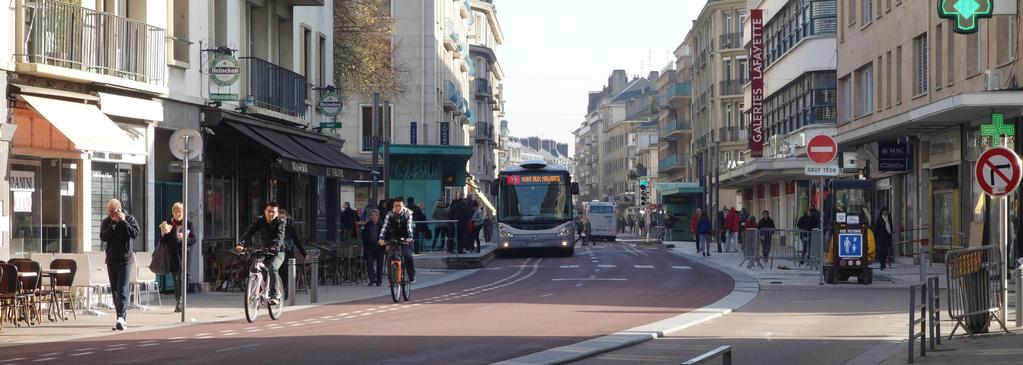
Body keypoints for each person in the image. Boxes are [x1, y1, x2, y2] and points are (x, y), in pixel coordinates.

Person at [101, 198, 140, 331]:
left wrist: (123, 221)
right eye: (109, 211)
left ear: (119, 209)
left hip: (125, 260)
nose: (111, 214)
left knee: (123, 289)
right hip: (111, 260)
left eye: (113, 211)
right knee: (115, 291)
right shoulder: (107, 221)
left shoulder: (129, 219)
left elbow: (135, 234)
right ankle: (120, 318)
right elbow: (104, 237)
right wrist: (113, 223)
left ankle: (121, 318)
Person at [237, 202, 286, 303]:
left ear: (277, 213)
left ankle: (274, 295)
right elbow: (249, 232)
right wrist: (241, 243)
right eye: (268, 211)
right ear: (265, 211)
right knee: (255, 266)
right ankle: (256, 288)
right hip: (264, 249)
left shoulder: (280, 222)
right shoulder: (260, 220)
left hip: (278, 251)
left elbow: (280, 236)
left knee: (273, 268)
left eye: (273, 212)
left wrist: (275, 246)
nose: (270, 214)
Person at [159, 202, 195, 313]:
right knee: (176, 279)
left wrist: (184, 238)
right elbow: (162, 241)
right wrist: (163, 233)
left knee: (184, 278)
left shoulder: (188, 224)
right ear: (173, 213)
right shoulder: (169, 223)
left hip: (185, 254)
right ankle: (178, 301)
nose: (177, 214)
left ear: (183, 212)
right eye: (175, 211)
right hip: (173, 255)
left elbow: (194, 239)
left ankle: (181, 300)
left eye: (179, 211)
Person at [378, 197, 416, 283]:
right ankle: (392, 279)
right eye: (396, 206)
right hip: (393, 237)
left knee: (407, 256)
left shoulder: (408, 214)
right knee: (390, 257)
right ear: (393, 206)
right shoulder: (389, 214)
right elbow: (385, 227)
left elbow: (409, 227)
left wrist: (409, 237)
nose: (398, 208)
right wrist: (381, 238)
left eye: (400, 206)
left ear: (403, 205)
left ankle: (411, 275)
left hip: (406, 238)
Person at [278, 209, 307, 300]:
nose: (282, 219)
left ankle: (286, 292)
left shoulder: (291, 228)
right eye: (280, 217)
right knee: (279, 272)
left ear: (286, 217)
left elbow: (297, 241)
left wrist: (304, 253)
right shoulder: (276, 226)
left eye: (283, 217)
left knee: (286, 273)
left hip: (288, 254)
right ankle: (279, 291)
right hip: (278, 253)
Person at [361, 209, 385, 286]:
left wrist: (386, 244)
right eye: (371, 216)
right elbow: (363, 235)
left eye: (374, 215)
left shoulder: (382, 225)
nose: (372, 217)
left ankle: (379, 281)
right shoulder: (368, 224)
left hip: (379, 247)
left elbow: (386, 235)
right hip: (369, 247)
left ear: (377, 216)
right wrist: (365, 243)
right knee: (369, 263)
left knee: (379, 264)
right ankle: (372, 279)